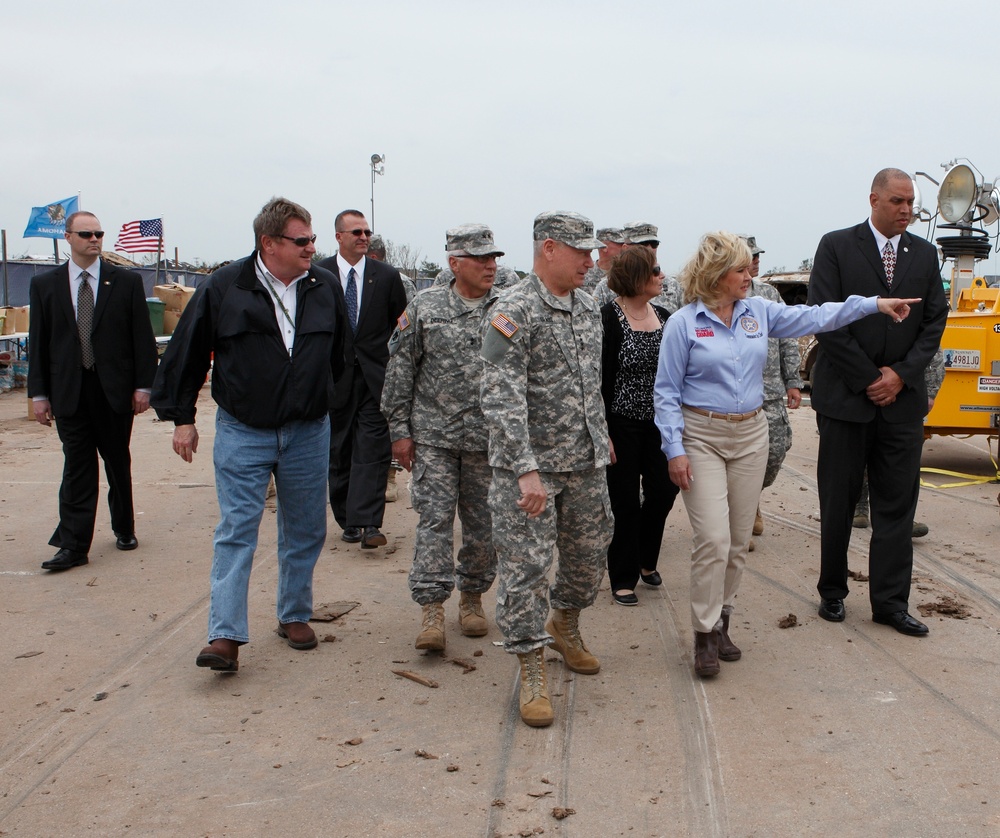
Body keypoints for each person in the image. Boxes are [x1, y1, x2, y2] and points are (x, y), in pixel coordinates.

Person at [654, 231, 920, 677]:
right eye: (741, 268)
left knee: (737, 541)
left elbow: (816, 315)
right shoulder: (684, 322)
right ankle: (702, 634)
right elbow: (665, 393)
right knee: (714, 539)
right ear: (717, 274)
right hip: (701, 435)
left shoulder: (758, 311)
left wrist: (873, 304)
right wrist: (674, 449)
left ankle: (722, 621)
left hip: (751, 434)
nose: (749, 273)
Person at [151, 197, 346, 672]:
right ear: (269, 243)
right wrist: (182, 418)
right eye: (302, 241)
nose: (311, 248)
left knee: (305, 528)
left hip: (307, 431)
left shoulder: (324, 287)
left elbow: (341, 355)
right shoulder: (225, 286)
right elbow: (188, 353)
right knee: (237, 530)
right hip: (244, 431)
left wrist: (328, 404)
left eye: (313, 239)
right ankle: (225, 635)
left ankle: (294, 613)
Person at [480, 211, 613, 727]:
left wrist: (600, 439)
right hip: (532, 469)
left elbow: (589, 383)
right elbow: (499, 393)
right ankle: (531, 664)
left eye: (592, 251)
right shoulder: (513, 309)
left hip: (584, 461)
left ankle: (566, 625)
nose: (591, 259)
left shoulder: (586, 304)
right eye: (581, 251)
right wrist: (523, 469)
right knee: (526, 570)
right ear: (549, 249)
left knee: (588, 555)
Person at [810, 168, 948, 637]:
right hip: (847, 400)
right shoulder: (836, 246)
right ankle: (832, 591)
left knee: (896, 507)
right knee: (839, 499)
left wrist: (900, 376)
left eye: (911, 202)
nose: (906, 209)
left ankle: (891, 602)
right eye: (897, 201)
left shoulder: (926, 255)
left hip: (902, 404)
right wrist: (871, 378)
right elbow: (827, 320)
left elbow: (933, 324)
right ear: (873, 199)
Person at [381, 224, 503, 651]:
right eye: (481, 258)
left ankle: (472, 599)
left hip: (488, 442)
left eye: (494, 258)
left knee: (483, 527)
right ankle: (431, 609)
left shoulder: (508, 308)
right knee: (433, 522)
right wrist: (399, 432)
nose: (491, 265)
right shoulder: (425, 307)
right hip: (433, 437)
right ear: (454, 263)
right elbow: (400, 370)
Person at [28, 211, 158, 571]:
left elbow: (141, 339)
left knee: (117, 462)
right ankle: (73, 546)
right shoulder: (45, 285)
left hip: (113, 390)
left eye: (99, 233)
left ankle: (124, 527)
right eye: (86, 233)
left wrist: (143, 386)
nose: (94, 239)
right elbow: (39, 341)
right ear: (68, 237)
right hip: (69, 390)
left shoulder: (126, 282)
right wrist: (38, 394)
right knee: (77, 466)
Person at [318, 210, 407, 549]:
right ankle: (348, 520)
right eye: (356, 231)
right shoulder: (318, 274)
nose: (363, 237)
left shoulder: (385, 277)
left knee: (372, 448)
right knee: (339, 449)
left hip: (375, 376)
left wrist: (396, 368)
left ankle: (369, 522)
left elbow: (399, 326)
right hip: (334, 377)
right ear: (338, 236)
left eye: (367, 231)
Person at [601, 246, 679, 605]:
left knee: (664, 492)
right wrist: (603, 432)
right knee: (625, 501)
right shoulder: (607, 318)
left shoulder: (664, 315)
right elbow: (599, 379)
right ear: (636, 277)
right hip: (621, 425)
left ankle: (647, 560)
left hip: (660, 424)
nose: (661, 276)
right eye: (655, 270)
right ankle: (623, 576)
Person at [744, 235, 803, 548]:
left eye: (757, 255)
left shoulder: (768, 294)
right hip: (736, 400)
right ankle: (739, 519)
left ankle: (750, 499)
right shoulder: (716, 297)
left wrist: (793, 380)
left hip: (770, 393)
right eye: (750, 255)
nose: (756, 260)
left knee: (775, 454)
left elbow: (788, 337)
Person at [853, 349, 945, 536]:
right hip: (859, 391)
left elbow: (932, 353)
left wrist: (930, 393)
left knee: (898, 465)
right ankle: (859, 505)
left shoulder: (915, 322)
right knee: (858, 456)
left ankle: (900, 518)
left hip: (905, 395)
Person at [592, 221, 684, 312]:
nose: (650, 249)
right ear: (625, 248)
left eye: (654, 244)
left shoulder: (672, 285)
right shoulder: (607, 287)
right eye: (643, 244)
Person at [582, 227, 626, 294]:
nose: (624, 247)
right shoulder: (583, 274)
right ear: (604, 247)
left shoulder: (627, 275)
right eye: (620, 244)